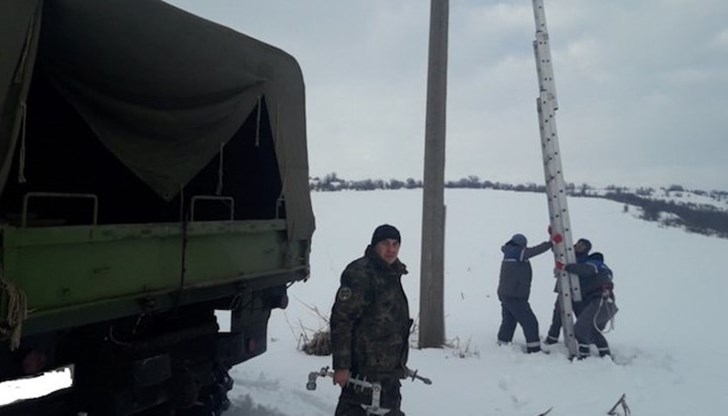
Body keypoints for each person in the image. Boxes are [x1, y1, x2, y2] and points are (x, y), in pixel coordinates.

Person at [330, 224, 412, 415]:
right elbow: (342, 320)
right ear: (375, 245)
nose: (391, 249)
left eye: (395, 244)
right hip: (363, 370)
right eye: (385, 243)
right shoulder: (361, 273)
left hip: (388, 372)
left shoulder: (392, 272)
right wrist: (342, 365)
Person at [557, 248, 618, 359]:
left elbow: (587, 270)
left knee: (580, 329)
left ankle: (584, 356)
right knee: (593, 331)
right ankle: (606, 355)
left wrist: (566, 267)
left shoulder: (595, 264)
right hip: (608, 304)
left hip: (599, 301)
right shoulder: (606, 271)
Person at [496, 233, 553, 353]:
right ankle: (534, 349)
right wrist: (550, 243)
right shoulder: (515, 252)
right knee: (530, 322)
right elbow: (535, 251)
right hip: (514, 296)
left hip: (507, 294)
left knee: (509, 321)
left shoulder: (510, 252)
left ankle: (502, 344)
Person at [544, 238, 592, 345]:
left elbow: (584, 270)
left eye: (582, 245)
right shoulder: (567, 253)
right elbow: (556, 249)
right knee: (558, 315)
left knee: (582, 317)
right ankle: (552, 338)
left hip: (578, 293)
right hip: (564, 289)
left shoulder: (585, 260)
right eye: (579, 243)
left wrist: (566, 267)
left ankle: (588, 340)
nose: (579, 246)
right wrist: (552, 236)